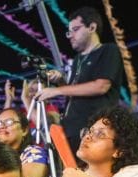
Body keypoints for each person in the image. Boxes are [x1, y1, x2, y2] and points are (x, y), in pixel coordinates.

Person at [33, 7, 124, 154]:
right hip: (69, 131)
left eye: (75, 29)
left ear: (92, 27)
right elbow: (73, 94)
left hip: (94, 130)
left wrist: (57, 90)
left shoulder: (108, 50)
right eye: (69, 32)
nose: (70, 36)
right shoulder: (77, 60)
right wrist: (61, 81)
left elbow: (101, 86)